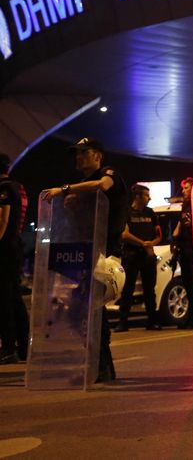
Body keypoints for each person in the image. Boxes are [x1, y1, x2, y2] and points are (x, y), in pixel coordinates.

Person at [42, 138, 130, 383]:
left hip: (106, 255)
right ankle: (100, 365)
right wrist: (71, 207)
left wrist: (65, 190)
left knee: (93, 310)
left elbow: (103, 185)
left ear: (98, 155)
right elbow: (82, 223)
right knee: (82, 311)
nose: (78, 157)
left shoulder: (109, 174)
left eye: (84, 152)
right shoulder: (82, 188)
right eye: (76, 154)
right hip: (87, 251)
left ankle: (101, 366)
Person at [116, 184, 163, 332]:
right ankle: (123, 322)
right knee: (127, 289)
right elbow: (124, 234)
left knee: (149, 289)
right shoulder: (127, 213)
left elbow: (159, 235)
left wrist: (151, 244)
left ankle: (152, 321)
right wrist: (143, 243)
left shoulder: (150, 213)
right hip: (131, 255)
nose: (149, 198)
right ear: (137, 196)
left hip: (147, 256)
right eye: (146, 195)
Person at [0, 154, 29, 363]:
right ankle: (23, 347)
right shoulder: (18, 187)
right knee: (14, 298)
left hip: (4, 249)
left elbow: (2, 220)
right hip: (14, 246)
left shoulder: (3, 188)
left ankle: (9, 347)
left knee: (4, 300)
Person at [171, 177, 193, 329]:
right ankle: (191, 317)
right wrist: (174, 240)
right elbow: (180, 225)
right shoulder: (185, 206)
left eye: (187, 188)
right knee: (188, 285)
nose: (183, 190)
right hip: (185, 250)